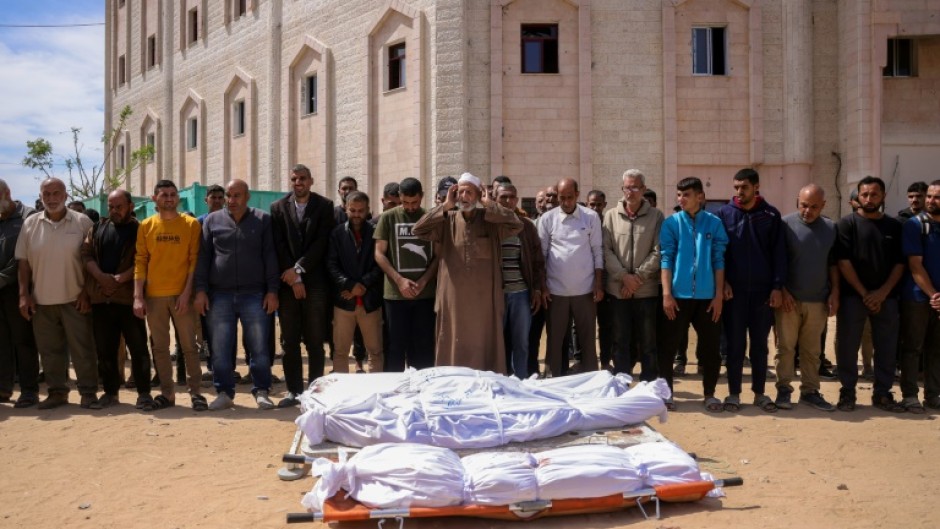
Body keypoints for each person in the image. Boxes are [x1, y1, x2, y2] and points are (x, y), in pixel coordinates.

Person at [414, 173, 522, 372]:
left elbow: (516, 224)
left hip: (484, 303)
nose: (464, 196)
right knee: (452, 340)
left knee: (485, 342)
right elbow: (418, 230)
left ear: (478, 195)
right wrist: (445, 206)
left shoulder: (490, 220)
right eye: (460, 192)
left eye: (469, 192)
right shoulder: (447, 221)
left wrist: (489, 203)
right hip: (453, 300)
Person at [194, 180, 280, 410]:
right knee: (220, 348)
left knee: (259, 347)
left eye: (236, 196)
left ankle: (261, 390)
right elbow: (203, 258)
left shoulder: (262, 220)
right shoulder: (212, 221)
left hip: (255, 294)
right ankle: (224, 392)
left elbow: (271, 257)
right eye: (229, 196)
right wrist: (200, 290)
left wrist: (272, 291)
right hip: (219, 295)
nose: (231, 200)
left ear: (247, 197)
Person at [16, 178, 100, 410]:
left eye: (56, 193)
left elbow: (93, 260)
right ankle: (57, 393)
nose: (52, 198)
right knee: (50, 352)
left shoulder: (82, 222)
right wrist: (25, 295)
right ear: (41, 196)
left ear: (65, 195)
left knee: (83, 350)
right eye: (47, 194)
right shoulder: (30, 224)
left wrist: (86, 292)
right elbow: (23, 264)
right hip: (42, 301)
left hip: (76, 299)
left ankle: (88, 393)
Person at [716, 168, 787, 413]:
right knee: (735, 345)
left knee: (759, 345)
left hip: (762, 293)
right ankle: (733, 393)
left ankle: (760, 393)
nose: (739, 192)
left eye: (744, 187)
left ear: (756, 187)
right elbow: (719, 253)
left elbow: (779, 254)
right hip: (733, 293)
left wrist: (777, 287)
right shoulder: (724, 214)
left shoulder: (770, 214)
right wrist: (722, 282)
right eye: (736, 187)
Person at [133, 179, 206, 411]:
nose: (169, 198)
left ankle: (196, 393)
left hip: (182, 296)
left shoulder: (191, 224)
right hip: (154, 297)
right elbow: (140, 261)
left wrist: (187, 293)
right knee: (160, 348)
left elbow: (194, 260)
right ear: (155, 198)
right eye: (164, 194)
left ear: (178, 198)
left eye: (173, 194)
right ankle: (167, 394)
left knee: (189, 347)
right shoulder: (146, 225)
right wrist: (138, 296)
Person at [834, 176, 905, 412]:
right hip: (853, 297)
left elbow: (900, 264)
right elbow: (843, 262)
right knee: (847, 346)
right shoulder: (847, 224)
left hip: (887, 298)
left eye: (874, 194)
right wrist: (866, 293)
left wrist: (882, 293)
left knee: (886, 347)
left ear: (883, 196)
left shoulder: (895, 226)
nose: (869, 199)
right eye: (864, 194)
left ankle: (883, 393)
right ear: (858, 196)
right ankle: (847, 393)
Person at [659, 177, 728, 412]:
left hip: (707, 299)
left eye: (686, 194)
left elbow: (719, 260)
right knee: (668, 347)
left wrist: (718, 295)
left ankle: (709, 394)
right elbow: (666, 259)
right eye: (679, 194)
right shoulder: (671, 224)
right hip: (678, 297)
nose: (681, 199)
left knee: (711, 348)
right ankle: (667, 395)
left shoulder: (714, 224)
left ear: (700, 196)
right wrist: (667, 294)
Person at [270, 164, 335, 407]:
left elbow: (321, 243)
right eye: (294, 179)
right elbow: (278, 244)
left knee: (315, 339)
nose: (298, 183)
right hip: (287, 284)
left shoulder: (324, 206)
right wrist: (293, 277)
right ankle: (294, 390)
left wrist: (299, 270)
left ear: (311, 180)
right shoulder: (278, 208)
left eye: (303, 178)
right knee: (289, 340)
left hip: (315, 282)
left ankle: (315, 390)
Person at [82, 189, 153, 410]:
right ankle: (110, 393)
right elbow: (86, 254)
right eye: (111, 207)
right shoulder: (97, 228)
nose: (114, 211)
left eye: (118, 206)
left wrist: (122, 278)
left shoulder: (140, 230)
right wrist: (101, 277)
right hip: (101, 299)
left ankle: (144, 394)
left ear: (130, 206)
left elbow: (147, 259)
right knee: (105, 351)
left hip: (128, 299)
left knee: (138, 348)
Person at [774, 184, 838, 412]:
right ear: (796, 202)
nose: (807, 211)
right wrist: (782, 290)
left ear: (823, 206)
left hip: (818, 301)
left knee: (812, 351)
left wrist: (835, 293)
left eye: (813, 207)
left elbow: (833, 265)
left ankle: (810, 391)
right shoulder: (784, 225)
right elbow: (777, 261)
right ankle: (783, 389)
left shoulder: (831, 228)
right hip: (789, 301)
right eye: (803, 205)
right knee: (786, 348)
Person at [538, 178, 604, 377]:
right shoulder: (547, 219)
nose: (566, 202)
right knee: (556, 339)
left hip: (585, 291)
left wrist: (598, 284)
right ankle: (553, 378)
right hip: (556, 291)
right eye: (562, 198)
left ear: (577, 195)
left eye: (569, 197)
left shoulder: (591, 217)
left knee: (587, 339)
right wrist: (543, 287)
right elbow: (541, 255)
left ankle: (590, 378)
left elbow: (597, 252)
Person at [602, 169, 663, 381]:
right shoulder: (610, 216)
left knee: (648, 340)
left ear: (643, 190)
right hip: (619, 291)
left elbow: (658, 251)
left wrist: (636, 278)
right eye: (627, 187)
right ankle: (621, 380)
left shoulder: (656, 216)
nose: (631, 192)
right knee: (620, 339)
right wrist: (623, 277)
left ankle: (648, 382)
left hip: (645, 290)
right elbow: (606, 250)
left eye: (635, 187)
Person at [374, 177, 438, 371]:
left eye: (415, 202)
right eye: (406, 203)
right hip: (395, 296)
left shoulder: (430, 217)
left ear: (422, 197)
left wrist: (424, 281)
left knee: (423, 348)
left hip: (425, 295)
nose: (410, 207)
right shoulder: (388, 217)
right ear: (399, 197)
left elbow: (438, 255)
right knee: (395, 347)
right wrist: (400, 280)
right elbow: (379, 253)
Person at [326, 191, 384, 372]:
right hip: (344, 301)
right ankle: (341, 393)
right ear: (346, 209)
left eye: (361, 210)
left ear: (367, 210)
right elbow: (331, 264)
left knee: (375, 351)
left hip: (370, 302)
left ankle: (376, 392)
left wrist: (363, 285)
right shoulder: (337, 234)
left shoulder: (376, 233)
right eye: (353, 210)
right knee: (340, 351)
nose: (357, 215)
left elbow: (380, 264)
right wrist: (350, 285)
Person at [494, 183, 545, 379]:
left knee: (521, 341)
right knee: (497, 342)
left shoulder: (527, 226)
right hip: (496, 295)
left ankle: (521, 380)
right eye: (503, 197)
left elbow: (538, 260)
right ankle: (500, 379)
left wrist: (537, 289)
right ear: (495, 199)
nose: (508, 201)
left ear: (516, 199)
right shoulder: (489, 226)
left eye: (511, 197)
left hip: (520, 294)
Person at [899, 179, 940, 413]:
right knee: (913, 347)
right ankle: (910, 395)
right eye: (930, 196)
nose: (931, 201)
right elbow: (915, 266)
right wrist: (934, 296)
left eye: (936, 197)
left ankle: (934, 394)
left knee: (937, 349)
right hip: (917, 298)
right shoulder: (915, 225)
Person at [0, 180, 39, 408]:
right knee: (1, 342)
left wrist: (3, 278)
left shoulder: (28, 217)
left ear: (7, 193)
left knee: (24, 341)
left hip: (19, 289)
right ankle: (4, 388)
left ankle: (29, 390)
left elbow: (26, 258)